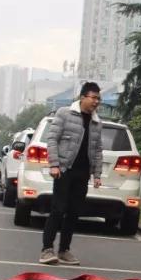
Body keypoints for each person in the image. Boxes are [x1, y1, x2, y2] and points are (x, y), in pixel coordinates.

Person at [39, 83, 104, 266]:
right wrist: (54, 164)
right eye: (93, 97)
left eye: (98, 99)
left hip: (83, 173)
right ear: (82, 97)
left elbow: (97, 149)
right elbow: (52, 138)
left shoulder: (97, 122)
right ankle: (47, 249)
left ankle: (64, 250)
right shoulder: (64, 113)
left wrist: (97, 174)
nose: (96, 102)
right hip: (64, 170)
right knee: (58, 209)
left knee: (74, 212)